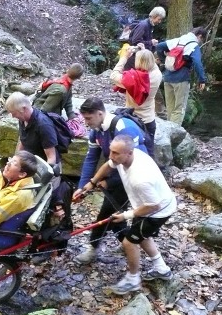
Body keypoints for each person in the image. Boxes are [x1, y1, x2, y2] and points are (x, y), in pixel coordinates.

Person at [75, 134, 176, 295]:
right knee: (142, 236)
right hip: (147, 204)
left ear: (129, 153)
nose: (111, 156)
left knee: (129, 242)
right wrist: (92, 182)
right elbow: (108, 166)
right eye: (111, 151)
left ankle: (133, 280)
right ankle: (162, 269)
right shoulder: (123, 158)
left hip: (158, 211)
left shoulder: (140, 177)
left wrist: (126, 216)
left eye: (115, 153)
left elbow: (153, 205)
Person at [71, 97, 148, 264]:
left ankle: (94, 249)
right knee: (115, 214)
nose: (86, 122)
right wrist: (83, 186)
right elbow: (91, 159)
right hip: (118, 175)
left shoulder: (123, 128)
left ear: (100, 113)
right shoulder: (96, 130)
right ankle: (127, 242)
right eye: (84, 118)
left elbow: (136, 164)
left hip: (136, 179)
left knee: (107, 213)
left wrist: (109, 182)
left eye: (88, 118)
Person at [110, 49, 162, 158]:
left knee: (132, 153)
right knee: (149, 152)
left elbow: (113, 75)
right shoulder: (157, 74)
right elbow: (151, 64)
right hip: (149, 120)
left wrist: (124, 57)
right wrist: (144, 51)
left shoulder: (132, 80)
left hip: (133, 120)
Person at [156, 27, 208, 125]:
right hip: (181, 80)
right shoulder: (193, 45)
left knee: (170, 108)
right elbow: (197, 62)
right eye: (202, 39)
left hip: (167, 78)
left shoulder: (178, 40)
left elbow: (159, 47)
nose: (201, 42)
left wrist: (164, 60)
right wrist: (202, 80)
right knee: (179, 109)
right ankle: (174, 134)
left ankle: (168, 131)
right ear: (200, 36)